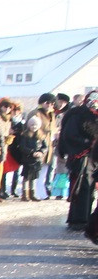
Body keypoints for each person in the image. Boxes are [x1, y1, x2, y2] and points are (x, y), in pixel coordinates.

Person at [57, 90, 98, 230]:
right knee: (81, 186)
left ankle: (85, 217)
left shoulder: (95, 116)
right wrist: (88, 143)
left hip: (93, 158)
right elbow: (69, 136)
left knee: (89, 187)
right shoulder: (78, 115)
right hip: (81, 156)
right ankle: (78, 218)